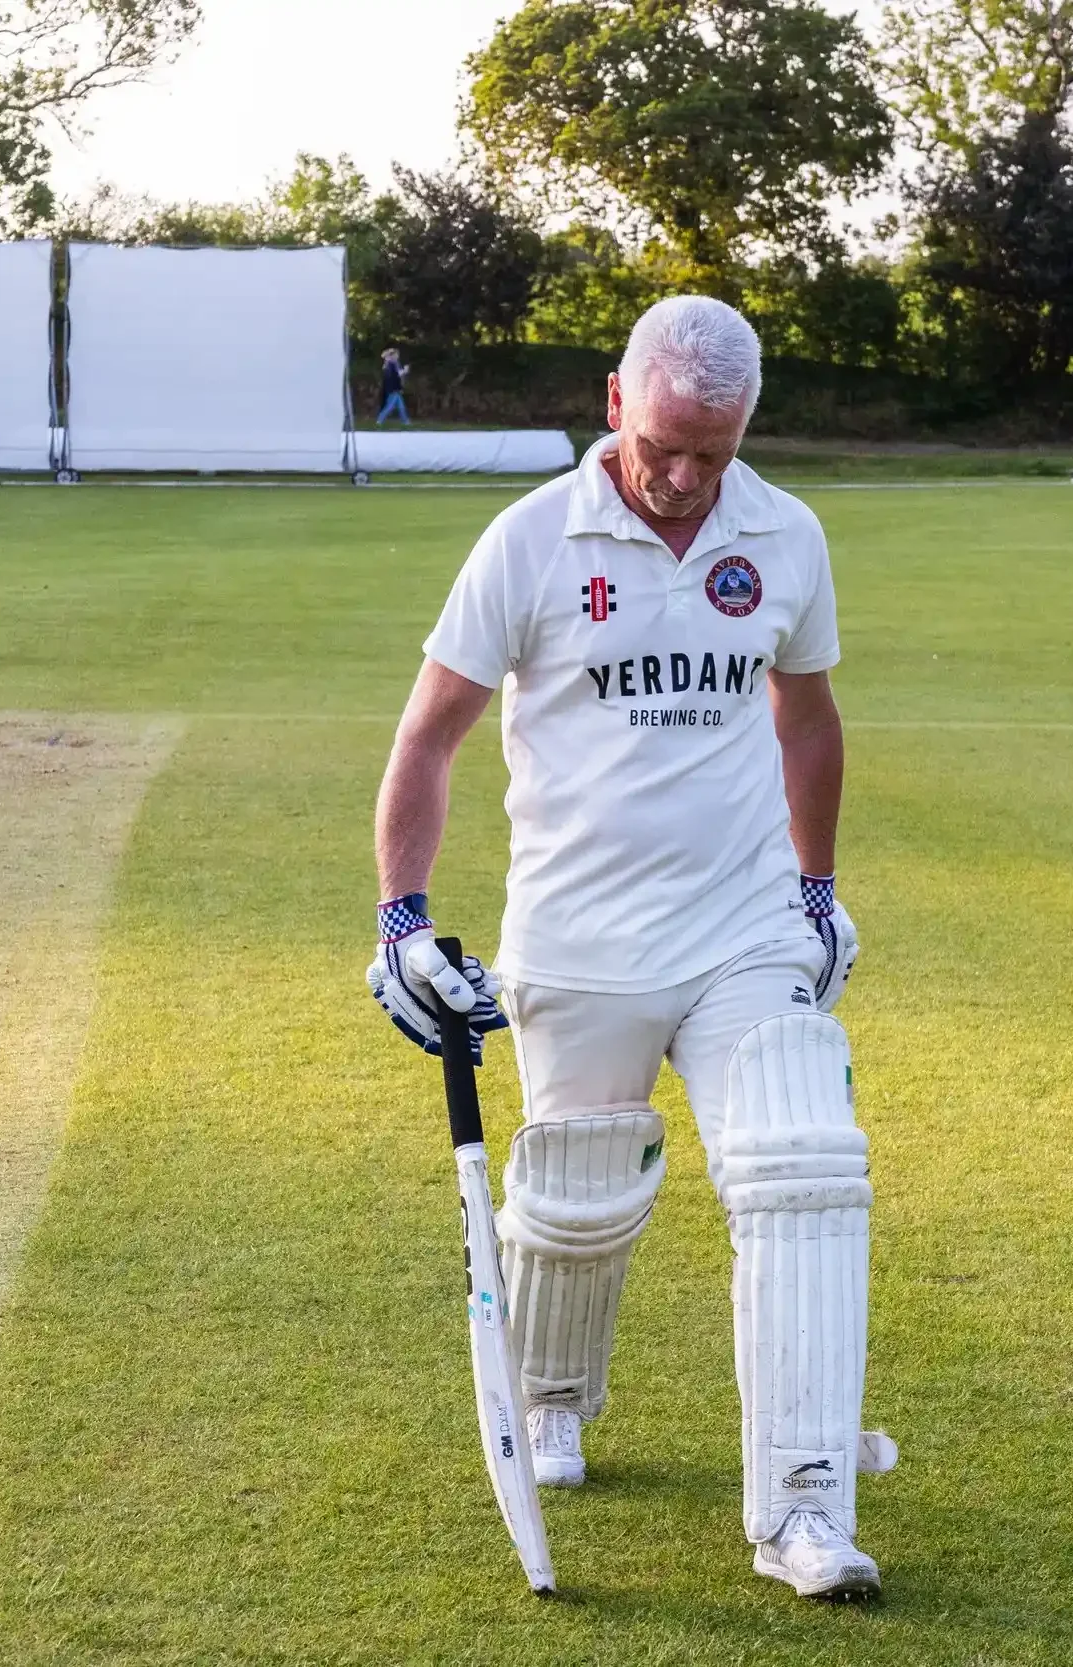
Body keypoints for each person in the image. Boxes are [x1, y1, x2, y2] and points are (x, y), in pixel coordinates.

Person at [366, 296, 878, 1599]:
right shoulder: (531, 540)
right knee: (579, 1202)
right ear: (614, 404)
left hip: (742, 926)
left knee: (801, 1163)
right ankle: (549, 1395)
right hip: (582, 932)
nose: (689, 477)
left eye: (716, 450)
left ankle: (807, 1503)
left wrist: (815, 890)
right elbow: (430, 734)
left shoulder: (785, 535)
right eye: (666, 444)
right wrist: (403, 917)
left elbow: (808, 718)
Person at [376, 347, 411, 427]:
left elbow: (397, 377)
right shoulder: (391, 364)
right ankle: (379, 420)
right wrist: (405, 371)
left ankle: (406, 422)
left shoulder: (392, 364)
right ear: (392, 355)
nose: (397, 356)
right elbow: (397, 375)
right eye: (396, 354)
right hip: (393, 389)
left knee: (401, 406)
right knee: (390, 407)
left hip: (395, 389)